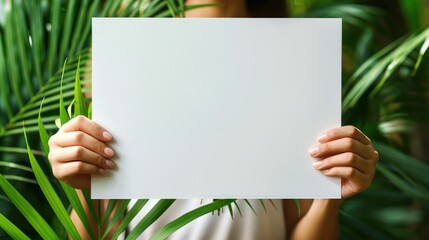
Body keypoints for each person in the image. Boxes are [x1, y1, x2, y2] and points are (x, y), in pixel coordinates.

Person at [48, 0, 379, 239]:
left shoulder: (293, 61)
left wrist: (329, 196)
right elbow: (98, 226)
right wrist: (81, 181)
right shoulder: (127, 56)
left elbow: (297, 225)